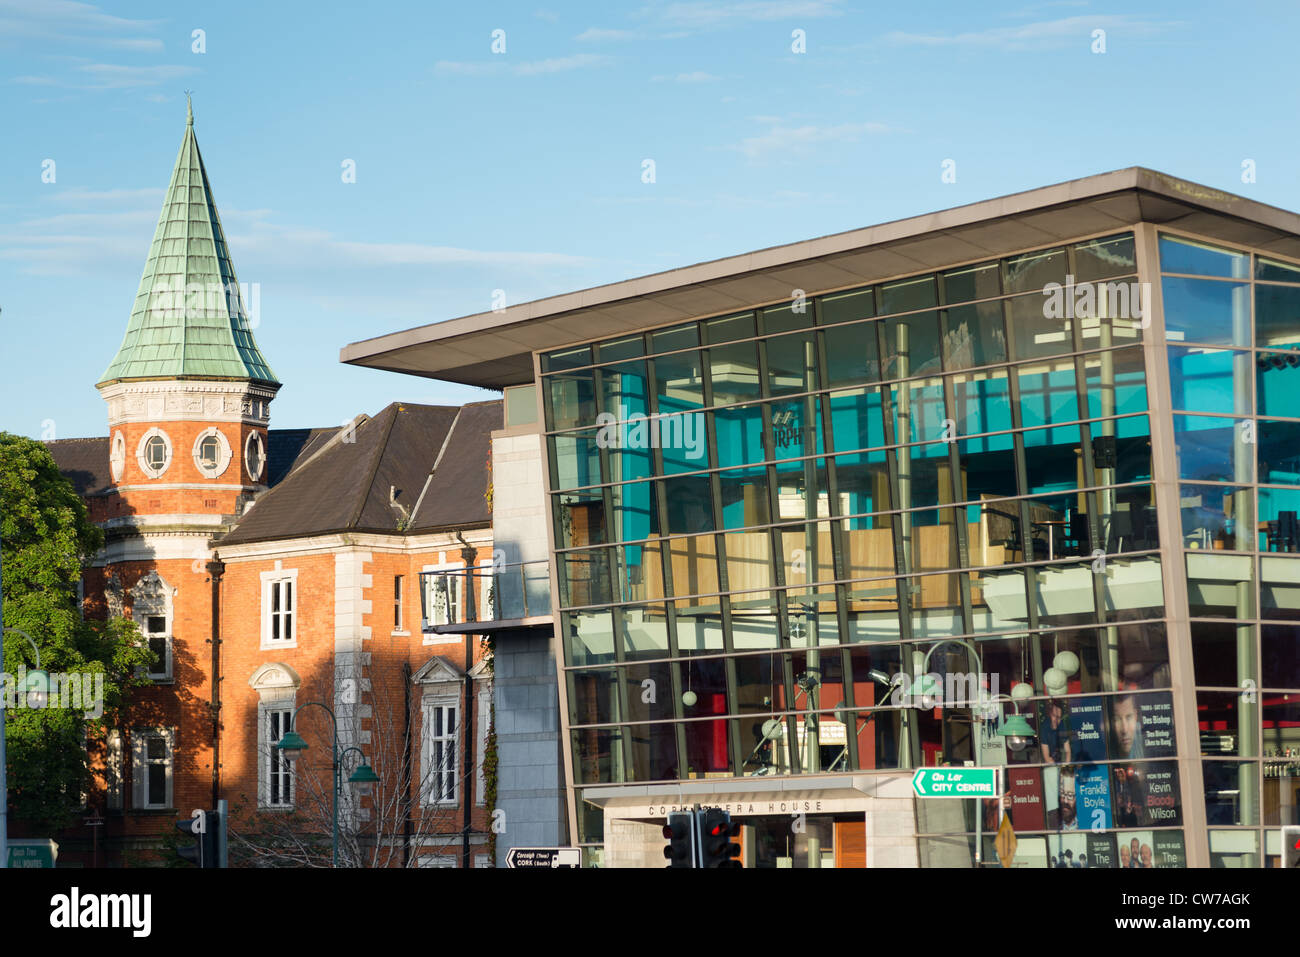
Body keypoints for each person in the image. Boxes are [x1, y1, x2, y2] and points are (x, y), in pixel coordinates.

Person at [1112, 692, 1145, 760]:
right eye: (1117, 719)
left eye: (1129, 717)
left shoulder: (1148, 739)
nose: (1124, 729)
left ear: (1136, 717)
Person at [1039, 698, 1073, 764]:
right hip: (1048, 763)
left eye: (1059, 717)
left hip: (1060, 760)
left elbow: (1068, 751)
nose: (1056, 719)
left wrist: (1066, 766)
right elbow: (1046, 757)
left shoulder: (1062, 725)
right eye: (1054, 716)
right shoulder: (1044, 728)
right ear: (1050, 715)